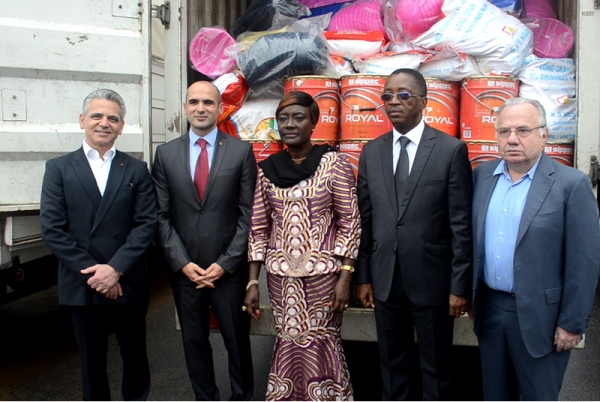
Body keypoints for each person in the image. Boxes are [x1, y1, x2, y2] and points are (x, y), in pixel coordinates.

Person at [471, 97, 600, 400]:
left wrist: (571, 323)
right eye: (504, 131)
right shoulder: (481, 177)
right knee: (495, 395)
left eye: (523, 130)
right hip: (491, 312)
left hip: (543, 319)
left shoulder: (571, 184)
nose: (512, 139)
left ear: (544, 135)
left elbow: (584, 261)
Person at [355, 68, 473, 400]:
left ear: (424, 101)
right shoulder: (372, 151)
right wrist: (363, 277)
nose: (394, 102)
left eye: (403, 95)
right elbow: (366, 220)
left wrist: (459, 285)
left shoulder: (450, 151)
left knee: (437, 368)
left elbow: (461, 225)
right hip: (386, 280)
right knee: (392, 367)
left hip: (433, 282)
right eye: (387, 96)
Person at [40, 89, 157, 401]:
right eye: (97, 116)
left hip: (127, 280)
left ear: (121, 126)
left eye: (112, 118)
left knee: (134, 358)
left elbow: (146, 224)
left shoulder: (136, 169)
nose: (104, 123)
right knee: (91, 363)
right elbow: (53, 229)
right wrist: (97, 275)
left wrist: (115, 270)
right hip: (83, 283)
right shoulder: (59, 169)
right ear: (82, 120)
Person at [244, 91, 360, 401]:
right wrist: (253, 281)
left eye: (298, 118)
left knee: (321, 341)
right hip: (281, 279)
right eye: (283, 119)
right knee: (289, 339)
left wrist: (345, 277)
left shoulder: (334, 163)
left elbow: (350, 221)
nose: (290, 124)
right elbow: (258, 226)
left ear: (313, 123)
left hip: (325, 279)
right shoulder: (267, 170)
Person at [152, 81, 257, 400]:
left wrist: (226, 264)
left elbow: (249, 214)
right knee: (193, 343)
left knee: (236, 343)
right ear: (185, 108)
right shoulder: (165, 154)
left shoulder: (241, 152)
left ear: (220, 108)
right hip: (186, 273)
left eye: (208, 103)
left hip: (228, 272)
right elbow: (160, 216)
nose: (201, 108)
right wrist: (182, 263)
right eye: (194, 102)